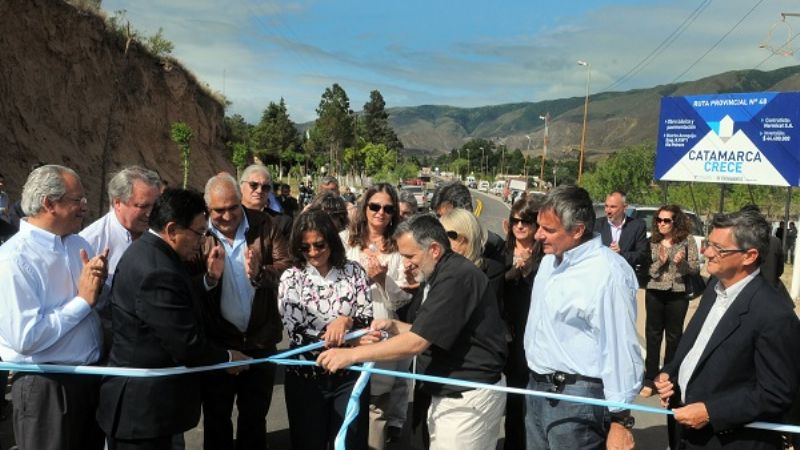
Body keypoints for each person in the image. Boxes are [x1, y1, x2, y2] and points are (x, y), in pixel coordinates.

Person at [317, 214, 508, 450]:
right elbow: (435, 330)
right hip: (449, 396)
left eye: (409, 256)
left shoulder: (457, 277)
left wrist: (351, 355)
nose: (405, 263)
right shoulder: (440, 273)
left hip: (467, 398)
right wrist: (395, 327)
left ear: (434, 250)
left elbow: (417, 343)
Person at [97, 189, 248, 450]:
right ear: (172, 229)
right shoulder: (156, 269)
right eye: (199, 233)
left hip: (151, 409)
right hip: (143, 412)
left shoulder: (151, 252)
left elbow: (171, 304)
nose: (202, 241)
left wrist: (208, 280)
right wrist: (227, 358)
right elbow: (185, 345)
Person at [655, 209, 800, 450]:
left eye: (719, 248)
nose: (708, 253)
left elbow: (777, 392)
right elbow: (695, 347)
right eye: (709, 244)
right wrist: (670, 374)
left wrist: (711, 411)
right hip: (685, 432)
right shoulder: (714, 290)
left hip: (728, 440)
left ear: (749, 256)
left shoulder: (774, 314)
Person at [524, 185, 642, 450]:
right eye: (539, 226)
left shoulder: (607, 274)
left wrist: (620, 422)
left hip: (578, 398)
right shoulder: (549, 261)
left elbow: (620, 349)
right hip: (537, 388)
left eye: (549, 230)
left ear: (577, 230)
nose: (539, 235)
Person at [0, 164, 108, 450]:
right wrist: (82, 302)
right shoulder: (13, 259)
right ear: (49, 203)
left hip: (88, 382)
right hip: (45, 388)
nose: (84, 208)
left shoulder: (77, 244)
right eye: (77, 200)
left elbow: (96, 304)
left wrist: (99, 286)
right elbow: (26, 337)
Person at [196, 174, 291, 450]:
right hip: (218, 344)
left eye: (232, 207)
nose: (227, 216)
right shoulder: (199, 233)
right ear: (207, 210)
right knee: (216, 418)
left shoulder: (264, 224)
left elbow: (288, 267)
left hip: (260, 340)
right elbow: (187, 283)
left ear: (240, 201)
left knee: (254, 418)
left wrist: (261, 274)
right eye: (219, 210)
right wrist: (210, 279)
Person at [278, 209, 373, 450]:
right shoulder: (291, 278)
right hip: (306, 377)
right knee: (308, 443)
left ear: (331, 241)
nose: (313, 253)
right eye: (305, 247)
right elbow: (295, 330)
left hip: (349, 374)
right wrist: (335, 337)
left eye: (319, 245)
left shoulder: (354, 272)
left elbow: (366, 318)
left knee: (349, 442)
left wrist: (346, 321)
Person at [341, 183, 412, 447]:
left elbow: (402, 299)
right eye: (375, 206)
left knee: (377, 405)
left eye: (388, 208)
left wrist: (383, 280)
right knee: (347, 399)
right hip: (350, 332)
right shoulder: (344, 241)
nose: (380, 213)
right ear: (364, 207)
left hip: (383, 333)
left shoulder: (399, 248)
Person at [80, 166, 161, 318]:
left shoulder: (160, 232)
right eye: (142, 206)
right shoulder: (90, 243)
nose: (150, 213)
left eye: (154, 205)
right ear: (117, 202)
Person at [640, 205, 699, 398]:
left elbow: (695, 268)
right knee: (653, 335)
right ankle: (650, 379)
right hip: (655, 291)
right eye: (659, 220)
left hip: (678, 292)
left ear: (676, 222)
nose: (661, 224)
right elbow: (649, 271)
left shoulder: (687, 240)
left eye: (666, 220)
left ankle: (669, 378)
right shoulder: (653, 241)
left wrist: (681, 263)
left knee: (674, 337)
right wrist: (662, 262)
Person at [501, 195, 544, 450]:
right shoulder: (502, 252)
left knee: (530, 398)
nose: (520, 226)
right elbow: (495, 286)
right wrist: (514, 271)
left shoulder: (545, 256)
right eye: (515, 220)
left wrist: (529, 269)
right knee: (510, 398)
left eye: (526, 221)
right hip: (508, 333)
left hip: (535, 334)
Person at [429, 180, 505, 264]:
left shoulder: (494, 246)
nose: (441, 224)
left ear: (466, 211)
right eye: (438, 217)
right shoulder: (434, 245)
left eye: (447, 217)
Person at [593, 190, 648, 280]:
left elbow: (642, 255)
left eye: (613, 207)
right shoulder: (596, 225)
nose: (608, 210)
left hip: (625, 279)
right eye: (606, 206)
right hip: (602, 278)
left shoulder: (637, 226)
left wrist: (621, 254)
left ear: (624, 207)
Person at [239, 164, 293, 236]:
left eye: (265, 187)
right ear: (240, 186)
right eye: (253, 185)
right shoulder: (228, 218)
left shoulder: (282, 223)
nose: (259, 190)